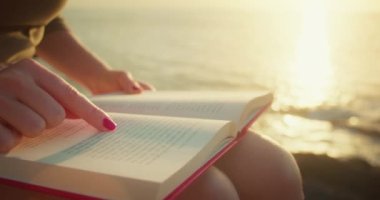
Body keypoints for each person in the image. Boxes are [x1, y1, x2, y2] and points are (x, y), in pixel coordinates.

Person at [0, 1, 304, 199]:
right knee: (208, 193)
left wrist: (97, 75)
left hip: (24, 97)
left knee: (271, 167)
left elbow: (31, 16)